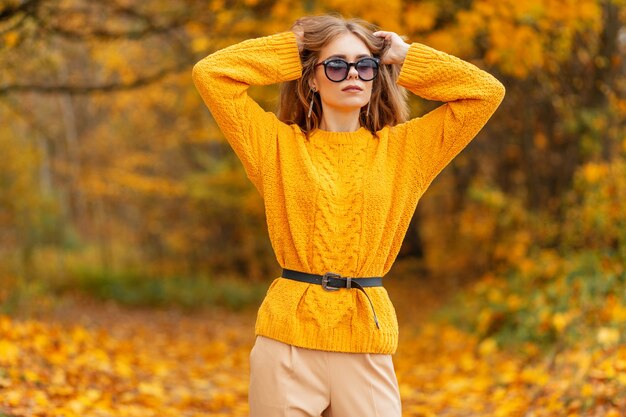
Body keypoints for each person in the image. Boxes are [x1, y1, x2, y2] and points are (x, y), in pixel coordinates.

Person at [192, 13, 505, 417]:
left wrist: (405, 57)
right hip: (288, 341)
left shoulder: (407, 150)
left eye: (365, 65)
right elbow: (212, 74)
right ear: (311, 78)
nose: (352, 74)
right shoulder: (274, 146)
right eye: (336, 65)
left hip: (365, 339)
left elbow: (485, 93)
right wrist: (293, 47)